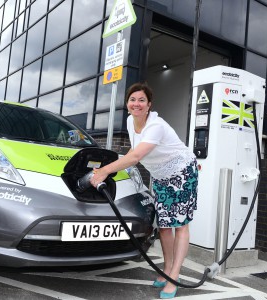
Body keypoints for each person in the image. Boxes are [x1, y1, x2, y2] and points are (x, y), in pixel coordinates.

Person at [90, 81, 198, 299]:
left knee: (180, 225)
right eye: (132, 100)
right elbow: (134, 150)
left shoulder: (156, 126)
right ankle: (166, 271)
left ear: (149, 105)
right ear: (127, 104)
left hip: (182, 173)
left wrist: (103, 172)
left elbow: (136, 157)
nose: (136, 104)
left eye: (141, 100)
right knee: (165, 227)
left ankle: (174, 277)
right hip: (160, 176)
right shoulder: (131, 121)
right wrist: (115, 168)